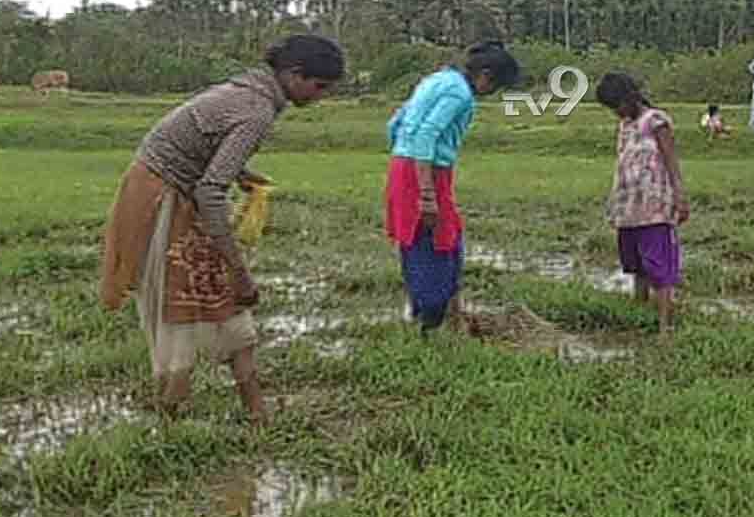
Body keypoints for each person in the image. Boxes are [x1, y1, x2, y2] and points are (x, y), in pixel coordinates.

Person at [99, 34, 345, 423]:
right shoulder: (257, 110)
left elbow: (205, 147)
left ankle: (254, 411)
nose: (321, 97)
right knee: (185, 301)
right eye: (320, 87)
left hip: (171, 188)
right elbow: (210, 191)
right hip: (161, 197)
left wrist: (241, 173)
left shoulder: (247, 89)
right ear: (295, 75)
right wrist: (239, 269)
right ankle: (173, 412)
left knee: (218, 295)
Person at [385, 41, 520, 333]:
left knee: (437, 239)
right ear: (485, 75)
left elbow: (395, 123)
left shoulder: (438, 79)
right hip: (424, 170)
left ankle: (435, 315)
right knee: (434, 242)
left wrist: (402, 159)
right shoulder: (460, 94)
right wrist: (427, 194)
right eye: (494, 86)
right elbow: (426, 136)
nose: (491, 93)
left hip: (405, 166)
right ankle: (431, 321)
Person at [596, 73, 690, 334]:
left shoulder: (656, 122)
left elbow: (672, 162)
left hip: (654, 207)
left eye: (618, 105)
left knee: (659, 267)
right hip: (629, 207)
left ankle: (665, 325)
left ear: (630, 97)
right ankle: (639, 313)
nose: (617, 112)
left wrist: (679, 196)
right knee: (635, 264)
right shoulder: (625, 125)